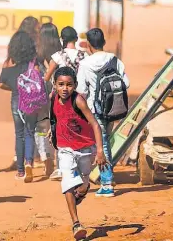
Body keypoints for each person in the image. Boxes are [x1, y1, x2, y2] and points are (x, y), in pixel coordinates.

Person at [49, 66, 107, 240]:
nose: (64, 89)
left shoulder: (79, 101)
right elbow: (54, 116)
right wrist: (53, 131)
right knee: (67, 181)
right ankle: (76, 224)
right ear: (55, 85)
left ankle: (83, 190)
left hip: (84, 148)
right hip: (65, 148)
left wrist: (99, 151)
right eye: (61, 84)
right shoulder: (52, 97)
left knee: (83, 183)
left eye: (69, 85)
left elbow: (95, 125)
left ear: (75, 85)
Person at [76, 28, 129, 198]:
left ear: (89, 45)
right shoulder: (115, 60)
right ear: (104, 42)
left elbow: (82, 90)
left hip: (95, 110)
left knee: (102, 144)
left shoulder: (85, 64)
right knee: (105, 141)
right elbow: (126, 84)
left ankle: (107, 183)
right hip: (113, 108)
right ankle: (107, 178)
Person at [43, 26, 88, 181]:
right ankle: (79, 165)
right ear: (76, 39)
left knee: (59, 128)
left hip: (60, 98)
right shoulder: (84, 55)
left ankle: (61, 168)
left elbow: (47, 76)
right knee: (79, 128)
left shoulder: (57, 56)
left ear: (62, 39)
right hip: (80, 96)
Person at [0, 31, 41, 182]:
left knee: (19, 134)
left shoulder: (8, 62)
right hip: (31, 100)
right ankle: (29, 162)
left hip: (16, 100)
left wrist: (15, 88)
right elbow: (37, 79)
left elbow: (1, 83)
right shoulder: (33, 62)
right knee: (30, 131)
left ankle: (21, 171)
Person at [34, 23, 61, 177]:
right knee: (56, 125)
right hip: (58, 93)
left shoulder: (38, 53)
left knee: (41, 126)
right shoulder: (60, 52)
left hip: (41, 93)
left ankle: (46, 157)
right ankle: (58, 158)